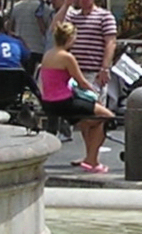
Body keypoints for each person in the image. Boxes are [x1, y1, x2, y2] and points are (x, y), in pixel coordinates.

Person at [40, 19, 114, 173]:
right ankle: (92, 160)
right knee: (106, 116)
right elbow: (81, 81)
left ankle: (90, 157)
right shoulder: (67, 57)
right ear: (70, 39)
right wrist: (96, 95)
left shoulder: (48, 54)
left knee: (89, 121)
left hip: (49, 101)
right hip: (64, 100)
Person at [54, 0, 117, 96]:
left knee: (96, 109)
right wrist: (66, 4)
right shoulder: (72, 16)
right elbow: (54, 27)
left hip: (94, 73)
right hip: (74, 72)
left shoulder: (105, 16)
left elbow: (111, 43)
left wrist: (105, 68)